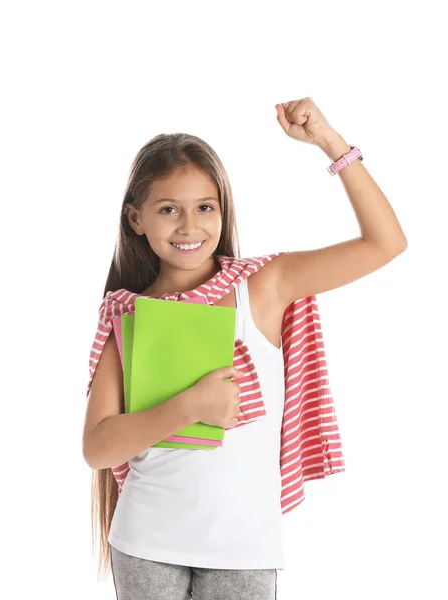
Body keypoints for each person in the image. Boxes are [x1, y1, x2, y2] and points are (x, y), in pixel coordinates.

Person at [82, 97, 408, 599]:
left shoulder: (261, 287)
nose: (189, 226)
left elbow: (385, 243)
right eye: (168, 209)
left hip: (245, 546)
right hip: (146, 540)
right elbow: (98, 446)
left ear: (223, 210)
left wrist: (329, 141)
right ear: (136, 219)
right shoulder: (127, 313)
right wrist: (188, 407)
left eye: (205, 207)